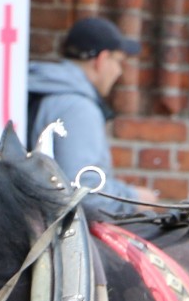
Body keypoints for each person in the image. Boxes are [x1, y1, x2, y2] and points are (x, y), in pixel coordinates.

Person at [26, 16, 159, 212]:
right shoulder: (77, 107)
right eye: (118, 61)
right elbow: (85, 191)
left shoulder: (42, 89)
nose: (119, 72)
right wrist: (135, 199)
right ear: (101, 60)